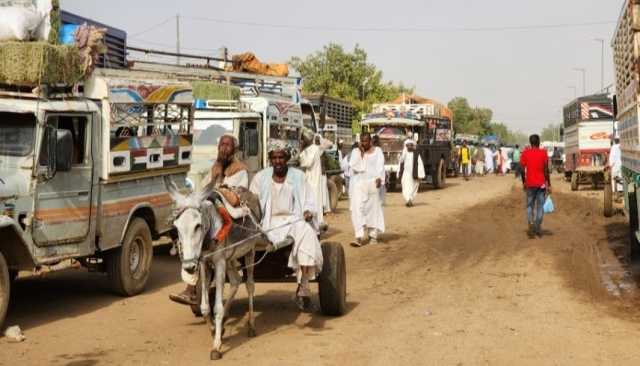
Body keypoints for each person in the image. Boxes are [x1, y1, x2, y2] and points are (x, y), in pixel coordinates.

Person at [169, 135, 249, 306]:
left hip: (229, 213)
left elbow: (236, 196)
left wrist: (218, 190)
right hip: (212, 209)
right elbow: (203, 189)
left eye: (227, 145)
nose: (223, 148)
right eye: (221, 144)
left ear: (234, 149)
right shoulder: (215, 168)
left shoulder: (240, 170)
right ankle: (192, 288)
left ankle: (194, 289)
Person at [250, 142, 323, 310]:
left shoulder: (298, 176)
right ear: (270, 160)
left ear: (287, 158)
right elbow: (252, 204)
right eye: (274, 158)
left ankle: (304, 284)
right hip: (267, 224)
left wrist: (308, 211)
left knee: (306, 232)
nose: (278, 161)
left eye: (281, 157)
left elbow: (309, 200)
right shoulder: (260, 177)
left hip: (293, 220)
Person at [349, 133, 386, 247]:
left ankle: (373, 236)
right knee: (357, 209)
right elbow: (354, 166)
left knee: (373, 210)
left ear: (370, 141)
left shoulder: (378, 151)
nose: (364, 143)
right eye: (362, 141)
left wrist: (380, 178)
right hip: (359, 184)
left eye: (366, 141)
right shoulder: (356, 151)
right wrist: (361, 152)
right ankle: (359, 237)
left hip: (373, 183)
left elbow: (380, 166)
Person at [520, 134, 551, 238]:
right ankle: (537, 226)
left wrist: (524, 182)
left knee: (529, 205)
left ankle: (531, 222)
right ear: (538, 142)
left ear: (530, 142)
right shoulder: (543, 153)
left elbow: (521, 169)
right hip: (541, 185)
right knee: (540, 207)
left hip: (530, 184)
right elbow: (546, 170)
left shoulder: (525, 153)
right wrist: (549, 183)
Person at [299, 132, 325, 230]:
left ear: (308, 139)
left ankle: (316, 227)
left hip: (313, 180)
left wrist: (301, 151)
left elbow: (307, 163)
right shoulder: (310, 149)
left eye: (303, 139)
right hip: (310, 179)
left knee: (313, 203)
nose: (302, 141)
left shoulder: (313, 149)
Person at [398, 139, 425, 207]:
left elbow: (420, 164)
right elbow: (401, 162)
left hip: (414, 174)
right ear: (406, 146)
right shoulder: (404, 153)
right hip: (406, 173)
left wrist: (421, 174)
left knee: (414, 186)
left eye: (411, 145)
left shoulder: (416, 154)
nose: (409, 146)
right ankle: (408, 200)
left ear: (413, 146)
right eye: (408, 145)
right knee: (405, 186)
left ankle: (410, 199)